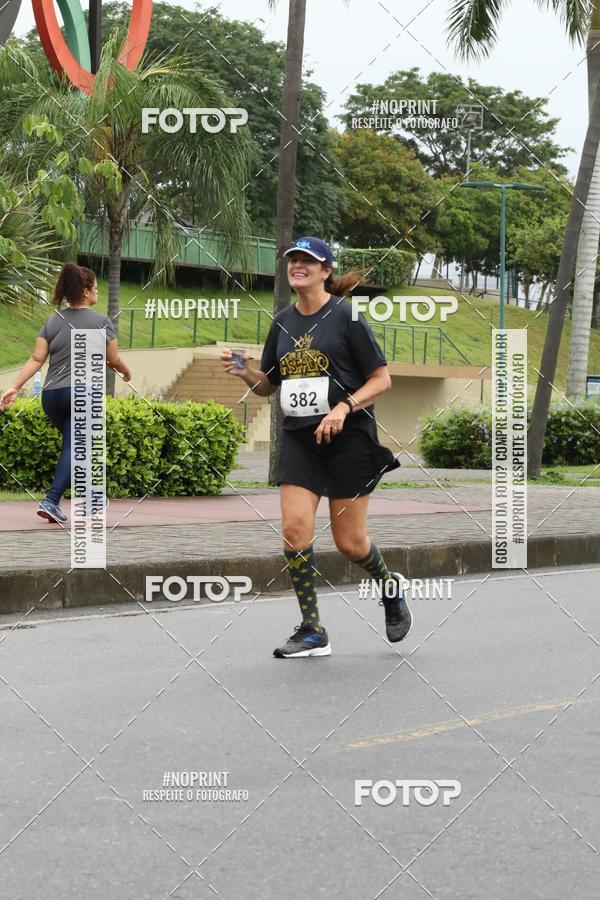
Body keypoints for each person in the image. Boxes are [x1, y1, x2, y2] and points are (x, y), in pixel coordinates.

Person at [221, 236, 412, 658]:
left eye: (307, 260)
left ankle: (389, 587)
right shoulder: (282, 322)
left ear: (326, 270)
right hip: (300, 441)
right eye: (293, 259)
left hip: (349, 440)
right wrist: (245, 371)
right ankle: (313, 630)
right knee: (294, 529)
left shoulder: (347, 316)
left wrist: (343, 407)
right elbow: (269, 385)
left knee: (350, 544)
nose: (298, 265)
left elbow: (381, 380)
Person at [0, 262, 131, 524]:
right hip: (83, 395)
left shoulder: (53, 320)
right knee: (76, 447)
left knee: (76, 446)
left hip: (52, 397)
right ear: (85, 291)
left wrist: (15, 386)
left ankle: (92, 497)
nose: (98, 293)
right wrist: (126, 371)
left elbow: (36, 359)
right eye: (95, 289)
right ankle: (52, 500)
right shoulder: (101, 321)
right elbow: (113, 358)